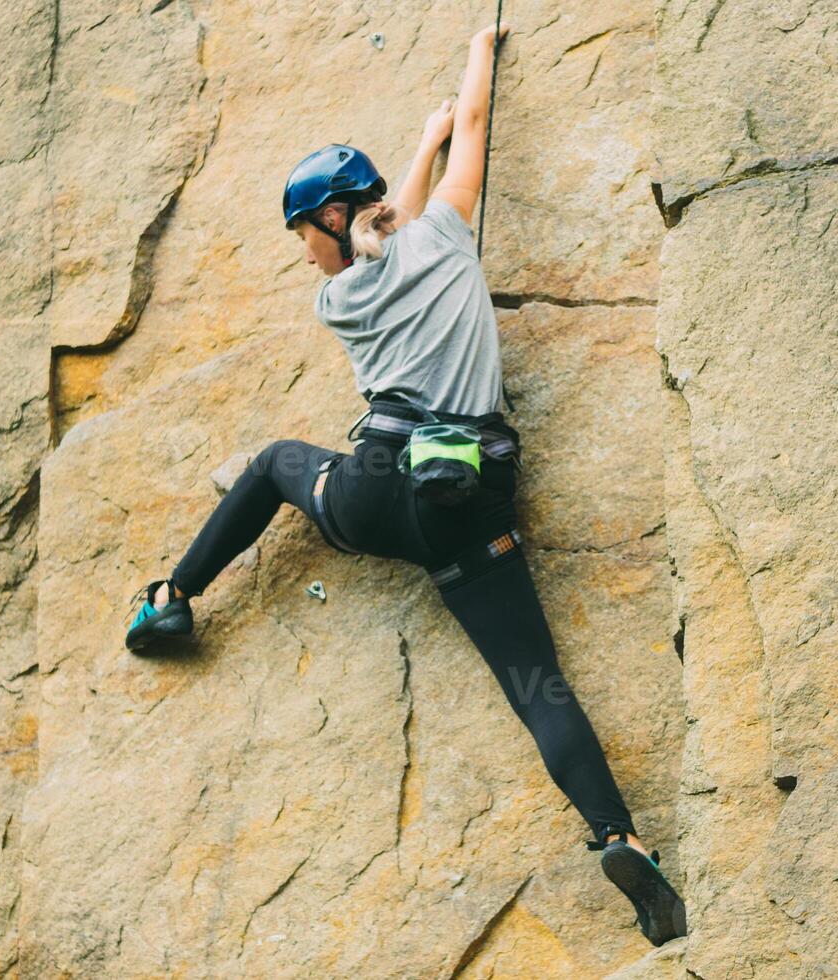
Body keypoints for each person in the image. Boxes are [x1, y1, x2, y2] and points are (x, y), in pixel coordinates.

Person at [123, 24, 685, 946]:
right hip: (472, 501)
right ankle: (619, 837)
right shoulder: (450, 238)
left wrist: (414, 151)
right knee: (536, 686)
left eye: (306, 232)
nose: (304, 251)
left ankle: (171, 597)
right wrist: (476, 53)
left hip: (376, 490)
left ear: (334, 224)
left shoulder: (338, 298)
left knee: (272, 464)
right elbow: (472, 127)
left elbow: (387, 234)